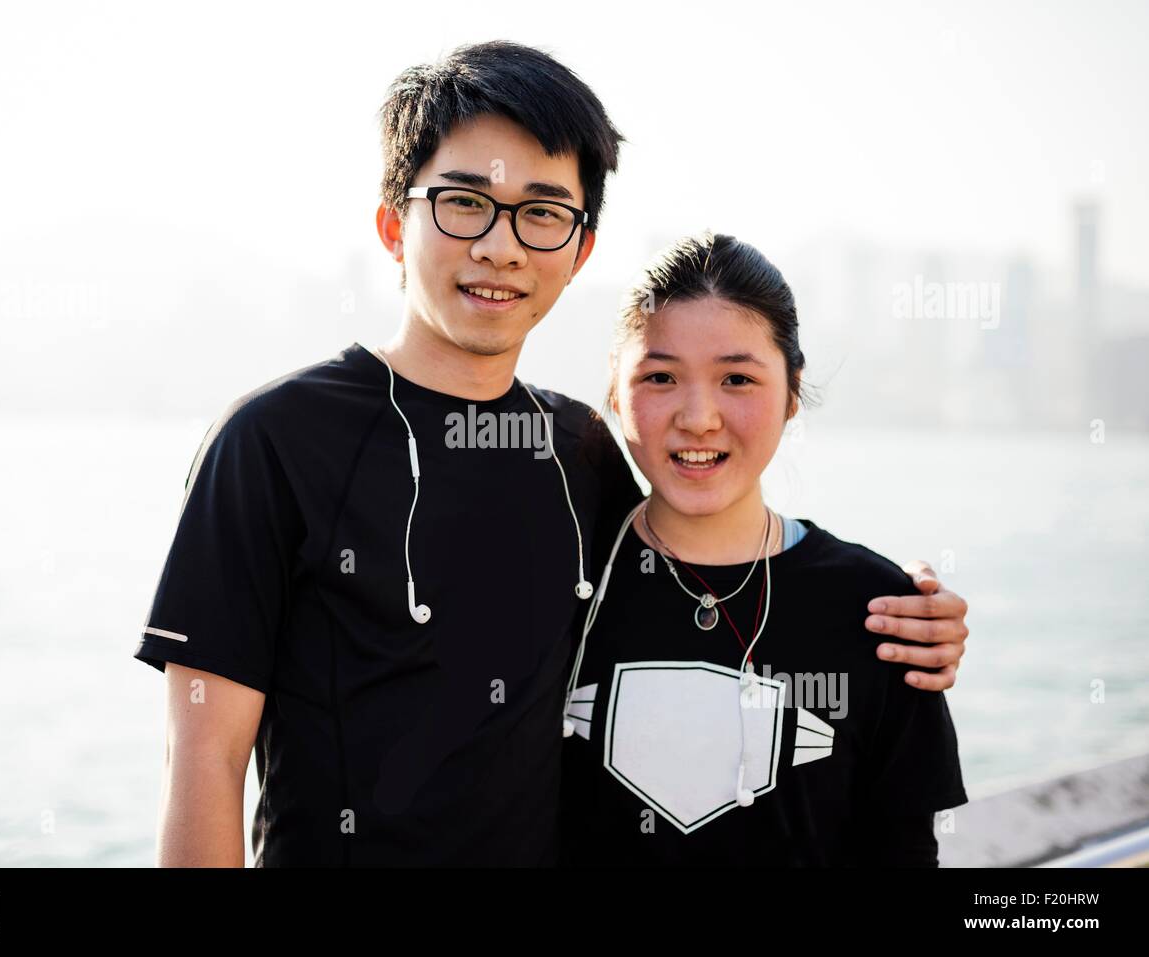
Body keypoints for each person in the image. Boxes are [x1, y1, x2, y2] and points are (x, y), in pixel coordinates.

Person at [131, 41, 970, 867]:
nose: (500, 247)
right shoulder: (272, 440)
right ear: (394, 224)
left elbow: (712, 565)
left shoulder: (581, 453)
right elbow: (203, 762)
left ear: (580, 249)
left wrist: (911, 614)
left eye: (541, 212)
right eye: (464, 202)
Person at [558, 232, 968, 866]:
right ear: (615, 391)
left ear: (793, 392)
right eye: (660, 376)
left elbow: (904, 851)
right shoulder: (559, 583)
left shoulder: (886, 614)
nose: (698, 417)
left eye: (737, 379)